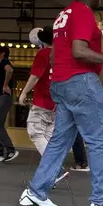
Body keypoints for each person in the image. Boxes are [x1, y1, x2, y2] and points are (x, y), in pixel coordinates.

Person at [18, 0, 103, 206]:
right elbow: (79, 51)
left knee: (59, 141)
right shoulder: (83, 12)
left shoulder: (64, 15)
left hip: (61, 83)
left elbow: (54, 56)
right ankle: (101, 203)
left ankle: (36, 192)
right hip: (82, 83)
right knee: (98, 141)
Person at [19, 26, 69, 185]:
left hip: (41, 101)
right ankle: (49, 175)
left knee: (35, 132)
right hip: (56, 103)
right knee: (47, 137)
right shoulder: (62, 55)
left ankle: (56, 169)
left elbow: (35, 76)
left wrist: (23, 92)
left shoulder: (43, 54)